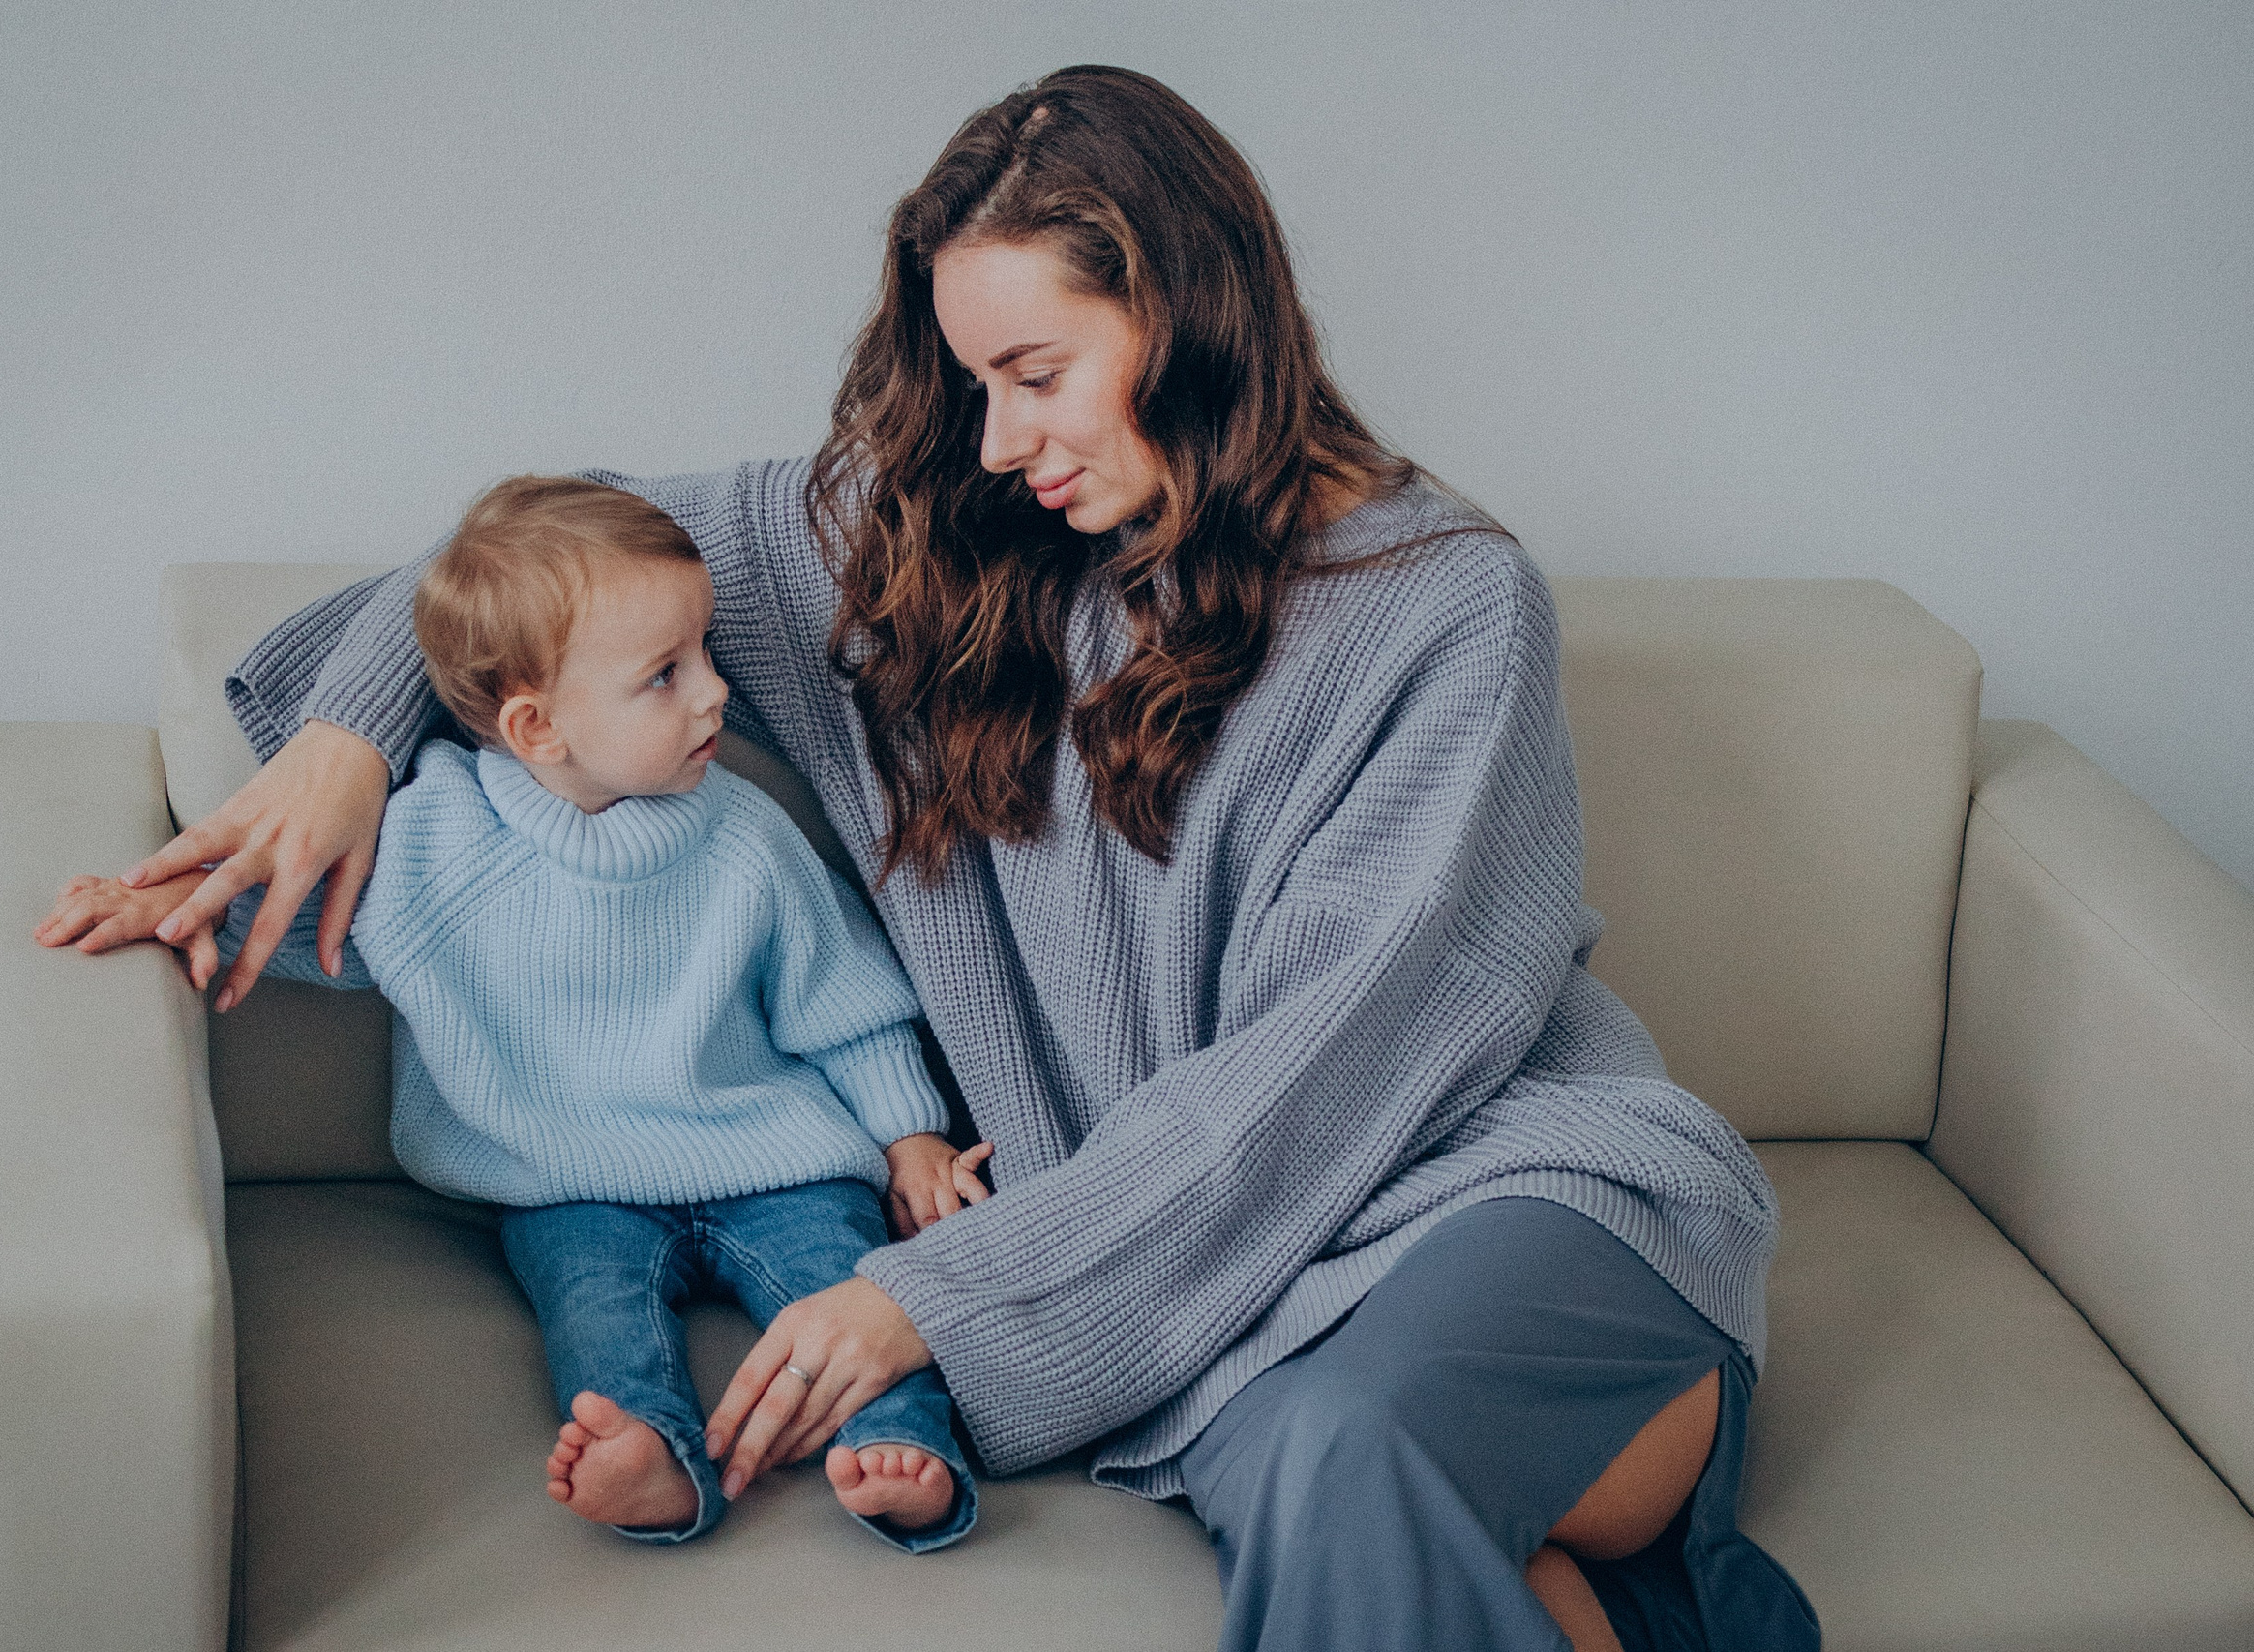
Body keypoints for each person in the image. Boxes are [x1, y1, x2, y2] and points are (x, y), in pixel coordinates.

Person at [87, 66, 1819, 1651]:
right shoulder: (932, 555)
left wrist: (936, 1297)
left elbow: (1331, 1065)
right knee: (1315, 1453)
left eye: (1038, 373)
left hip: (1505, 1194)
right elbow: (559, 540)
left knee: (1348, 1442)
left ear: (1193, 316)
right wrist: (342, 743)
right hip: (1232, 1283)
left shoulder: (1448, 604)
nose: (997, 438)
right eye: (976, 381)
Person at [39, 476, 991, 1552]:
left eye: (708, 655)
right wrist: (161, 900)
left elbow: (847, 1007)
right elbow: (303, 916)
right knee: (595, 1316)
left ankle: (907, 1458)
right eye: (665, 676)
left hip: (781, 1161)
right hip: (566, 1182)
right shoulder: (438, 839)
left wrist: (912, 1140)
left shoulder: (745, 837)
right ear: (539, 727)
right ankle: (654, 1459)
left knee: (852, 1284)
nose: (716, 695)